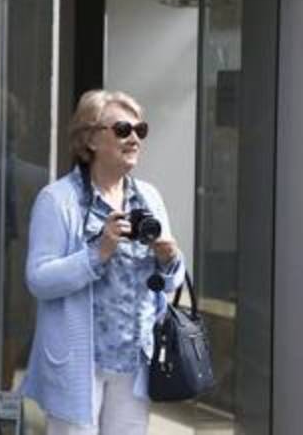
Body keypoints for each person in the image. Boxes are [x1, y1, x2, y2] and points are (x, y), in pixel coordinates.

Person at [22, 90, 185, 435]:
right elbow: (38, 279)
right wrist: (98, 254)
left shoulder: (149, 198)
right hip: (80, 362)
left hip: (134, 360)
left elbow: (170, 281)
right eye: (123, 129)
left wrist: (170, 258)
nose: (134, 139)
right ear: (91, 138)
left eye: (141, 130)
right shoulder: (58, 200)